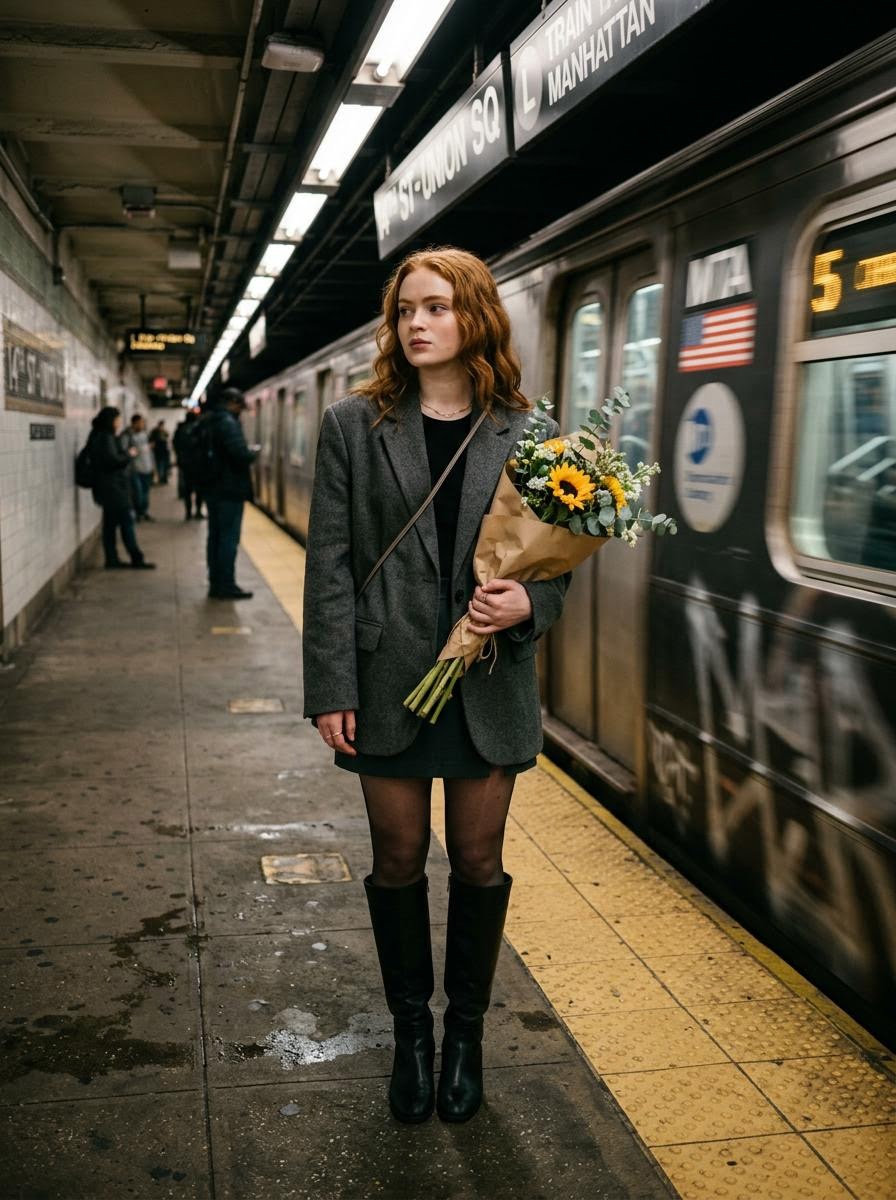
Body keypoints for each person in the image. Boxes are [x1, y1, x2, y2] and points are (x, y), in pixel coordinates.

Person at [302, 247, 570, 1125]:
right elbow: (331, 564)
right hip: (386, 679)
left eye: (437, 308)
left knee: (482, 861)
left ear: (475, 319)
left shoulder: (527, 431)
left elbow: (560, 564)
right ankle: (410, 1036)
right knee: (398, 859)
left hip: (489, 680)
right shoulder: (354, 424)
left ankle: (467, 1039)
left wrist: (527, 599)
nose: (417, 323)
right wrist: (330, 684)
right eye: (406, 310)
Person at [202, 388, 258, 599]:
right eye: (238, 406)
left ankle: (215, 582)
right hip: (229, 490)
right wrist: (251, 453)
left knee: (215, 536)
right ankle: (226, 585)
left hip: (213, 488)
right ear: (232, 403)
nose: (240, 411)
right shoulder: (227, 423)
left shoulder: (211, 420)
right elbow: (239, 455)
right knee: (228, 538)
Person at [86, 406, 155, 570]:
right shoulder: (106, 437)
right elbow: (113, 461)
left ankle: (112, 559)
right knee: (127, 523)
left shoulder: (97, 436)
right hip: (114, 489)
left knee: (109, 526)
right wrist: (129, 455)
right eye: (117, 419)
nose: (119, 423)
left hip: (106, 488)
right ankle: (136, 558)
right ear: (110, 421)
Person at [121, 413, 155, 521]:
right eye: (140, 423)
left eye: (143, 423)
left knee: (145, 492)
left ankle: (143, 512)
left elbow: (149, 452)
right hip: (135, 469)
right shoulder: (127, 435)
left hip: (147, 467)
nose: (142, 424)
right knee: (138, 493)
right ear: (134, 423)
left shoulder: (144, 434)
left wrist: (153, 467)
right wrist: (141, 449)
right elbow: (124, 451)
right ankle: (137, 512)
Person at [173, 409, 205, 520]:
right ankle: (198, 511)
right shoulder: (199, 429)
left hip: (185, 463)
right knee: (199, 490)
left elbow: (175, 445)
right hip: (199, 465)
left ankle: (188, 513)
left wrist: (180, 458)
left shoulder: (180, 429)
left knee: (187, 490)